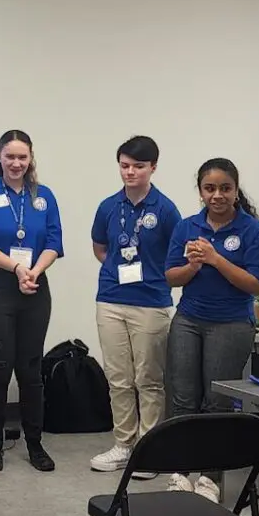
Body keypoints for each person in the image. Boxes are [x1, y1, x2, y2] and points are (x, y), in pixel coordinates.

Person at [164, 158, 259, 502]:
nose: (217, 195)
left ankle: (210, 478)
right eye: (209, 188)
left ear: (236, 191)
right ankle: (180, 472)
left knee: (217, 402)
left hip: (231, 324)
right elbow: (171, 277)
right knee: (182, 399)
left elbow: (256, 284)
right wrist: (193, 266)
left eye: (225, 188)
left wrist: (216, 259)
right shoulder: (187, 227)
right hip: (188, 320)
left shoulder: (253, 231)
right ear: (200, 192)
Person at [0, 129, 63, 473]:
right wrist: (18, 268)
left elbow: (54, 242)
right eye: (10, 156)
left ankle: (35, 443)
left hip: (35, 287)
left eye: (23, 157)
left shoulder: (44, 196)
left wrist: (33, 271)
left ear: (31, 158)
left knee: (30, 369)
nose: (16, 163)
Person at [89, 136, 181, 474]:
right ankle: (123, 445)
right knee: (118, 378)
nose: (130, 172)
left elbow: (176, 255)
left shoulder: (166, 210)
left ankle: (148, 449)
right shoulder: (108, 206)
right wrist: (118, 269)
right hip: (111, 299)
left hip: (151, 303)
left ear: (153, 167)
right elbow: (100, 248)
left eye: (138, 166)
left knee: (149, 379)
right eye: (125, 166)